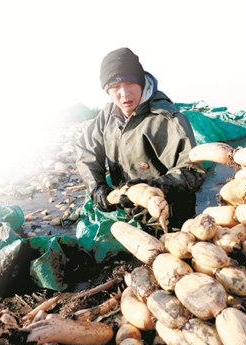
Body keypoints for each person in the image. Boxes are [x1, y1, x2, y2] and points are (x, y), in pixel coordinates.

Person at [75, 47, 205, 228]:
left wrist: (153, 188)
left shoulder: (166, 118)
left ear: (142, 82)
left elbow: (192, 170)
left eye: (129, 83)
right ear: (107, 91)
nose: (124, 93)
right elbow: (86, 150)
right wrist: (96, 186)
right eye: (115, 87)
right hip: (130, 211)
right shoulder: (108, 115)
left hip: (169, 216)